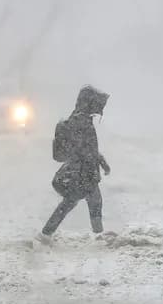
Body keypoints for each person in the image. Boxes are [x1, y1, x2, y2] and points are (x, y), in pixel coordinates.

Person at [38, 85, 111, 244]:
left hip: (82, 171)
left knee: (75, 202)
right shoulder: (80, 121)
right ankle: (99, 236)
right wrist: (99, 163)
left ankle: (46, 234)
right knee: (89, 202)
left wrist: (101, 162)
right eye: (97, 104)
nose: (100, 108)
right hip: (82, 172)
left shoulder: (80, 118)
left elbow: (88, 148)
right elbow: (85, 149)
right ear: (88, 102)